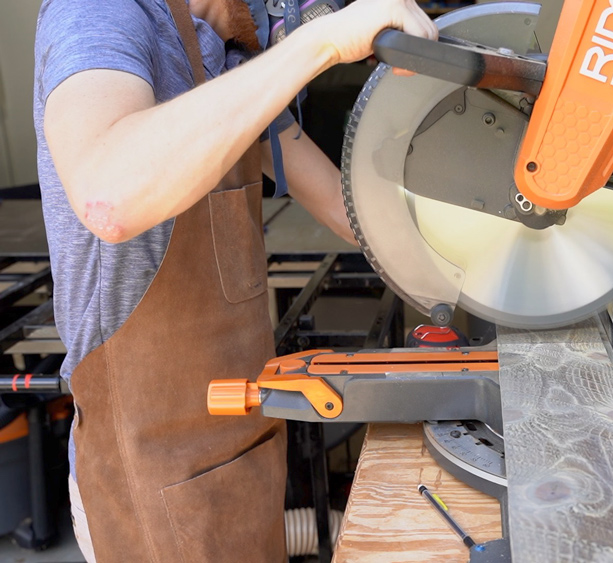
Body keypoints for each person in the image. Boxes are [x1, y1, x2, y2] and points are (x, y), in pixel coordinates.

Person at [33, 0, 436, 560]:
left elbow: (354, 210)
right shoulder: (99, 10)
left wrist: (496, 227)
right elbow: (110, 193)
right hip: (154, 472)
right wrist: (319, 44)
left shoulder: (222, 54)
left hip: (240, 450)